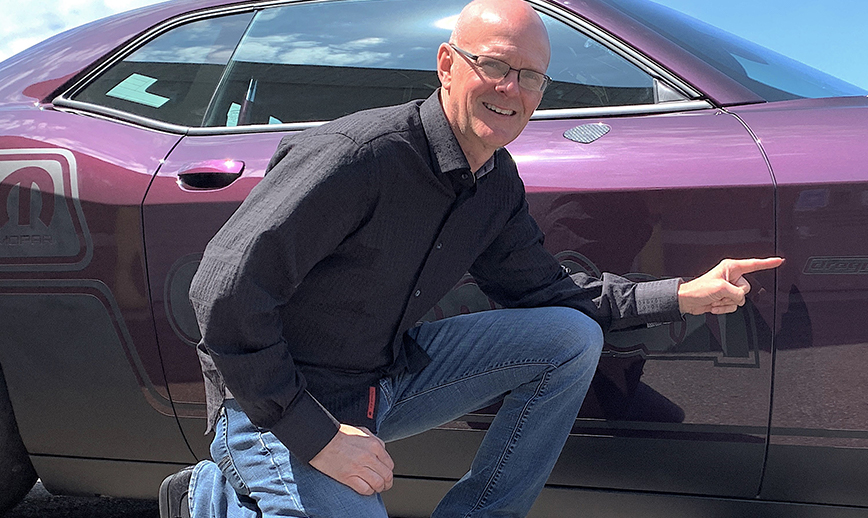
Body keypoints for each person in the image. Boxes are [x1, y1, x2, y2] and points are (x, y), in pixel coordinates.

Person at [159, 0, 783, 516]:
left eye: (531, 77)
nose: (512, 90)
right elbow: (224, 290)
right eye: (494, 65)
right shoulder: (360, 156)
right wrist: (315, 435)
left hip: (381, 380)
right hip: (274, 401)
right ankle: (214, 496)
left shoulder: (495, 183)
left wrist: (681, 294)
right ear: (447, 66)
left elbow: (549, 290)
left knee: (567, 337)